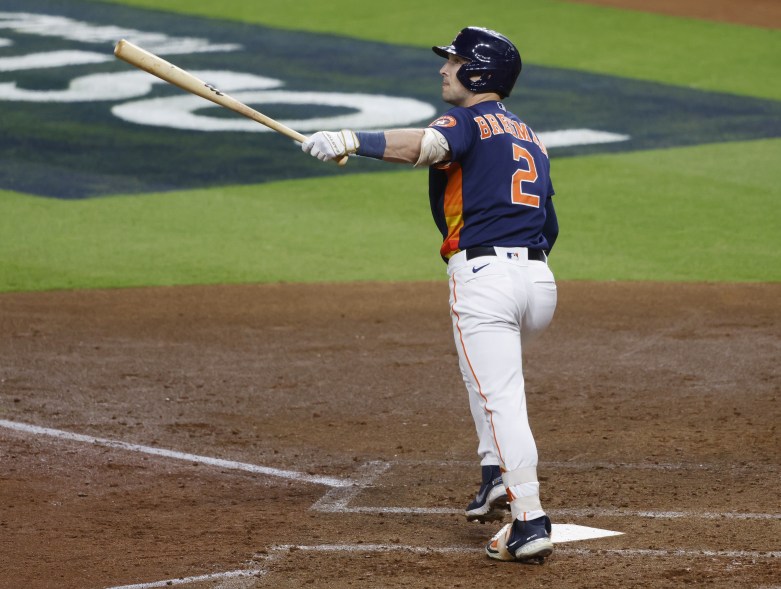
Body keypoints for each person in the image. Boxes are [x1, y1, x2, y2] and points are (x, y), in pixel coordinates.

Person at [301, 26, 559, 563]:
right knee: (485, 379)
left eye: (454, 61)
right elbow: (549, 224)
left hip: (486, 279)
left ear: (479, 72)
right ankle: (494, 474)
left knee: (501, 396)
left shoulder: (465, 120)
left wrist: (353, 139)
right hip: (538, 283)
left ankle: (530, 520)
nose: (444, 68)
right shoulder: (528, 134)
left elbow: (427, 146)